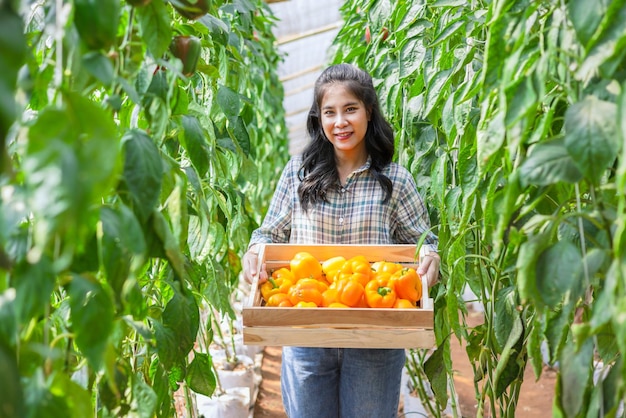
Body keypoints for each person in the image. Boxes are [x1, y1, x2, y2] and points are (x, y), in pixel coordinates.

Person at [242, 63, 440, 418]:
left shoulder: (394, 179)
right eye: (329, 112)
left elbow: (421, 240)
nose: (340, 122)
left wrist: (431, 257)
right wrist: (255, 254)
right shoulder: (297, 173)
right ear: (318, 120)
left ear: (369, 112)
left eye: (350, 109)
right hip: (306, 329)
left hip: (375, 334)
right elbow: (268, 234)